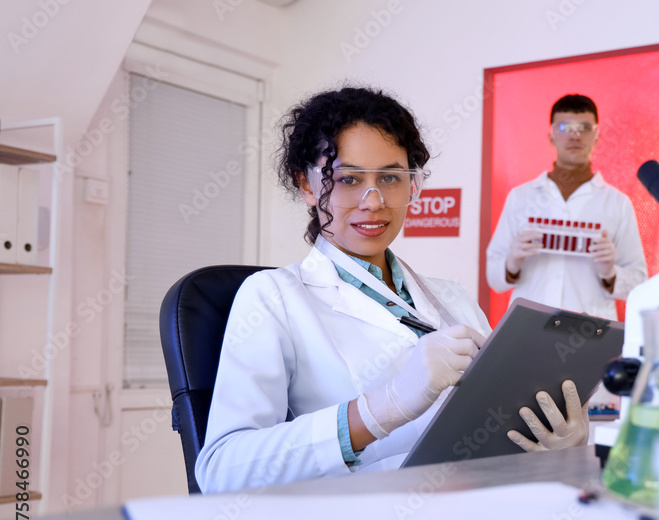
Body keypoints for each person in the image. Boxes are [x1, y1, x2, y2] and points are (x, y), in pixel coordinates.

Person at [196, 87, 589, 493]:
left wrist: (557, 446)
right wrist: (385, 407)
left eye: (390, 177)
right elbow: (222, 472)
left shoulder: (452, 299)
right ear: (307, 186)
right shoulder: (272, 297)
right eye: (347, 179)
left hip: (473, 515)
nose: (374, 201)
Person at [486, 94, 648, 321]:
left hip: (589, 332)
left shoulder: (618, 203)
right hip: (526, 326)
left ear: (597, 135)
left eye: (584, 127)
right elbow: (494, 277)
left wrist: (610, 273)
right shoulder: (521, 197)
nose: (574, 134)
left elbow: (639, 283)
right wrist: (512, 262)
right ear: (551, 135)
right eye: (564, 126)